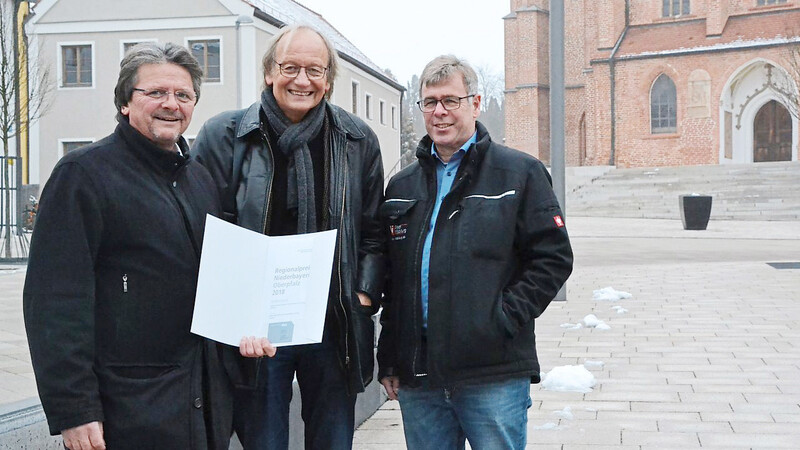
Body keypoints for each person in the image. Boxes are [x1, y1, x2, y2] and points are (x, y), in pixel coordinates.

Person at [23, 42, 274, 450]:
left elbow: (219, 282)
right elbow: (54, 302)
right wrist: (75, 409)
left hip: (202, 402)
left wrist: (248, 326)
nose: (170, 104)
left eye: (183, 95)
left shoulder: (200, 180)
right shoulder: (83, 175)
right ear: (125, 101)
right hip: (128, 410)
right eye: (155, 93)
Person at [192, 24, 385, 449]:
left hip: (332, 323)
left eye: (314, 70)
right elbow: (204, 232)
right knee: (264, 441)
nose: (302, 80)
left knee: (333, 441)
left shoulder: (357, 140)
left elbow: (374, 232)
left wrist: (362, 297)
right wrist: (230, 314)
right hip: (255, 331)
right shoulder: (225, 136)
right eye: (290, 67)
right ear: (268, 72)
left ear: (329, 79)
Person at [376, 55, 574, 449]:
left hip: (492, 373)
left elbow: (553, 258)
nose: (440, 112)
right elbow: (392, 280)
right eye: (430, 102)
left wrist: (501, 318)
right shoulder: (402, 186)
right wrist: (390, 357)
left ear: (476, 103)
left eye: (451, 100)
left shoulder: (519, 174)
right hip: (420, 377)